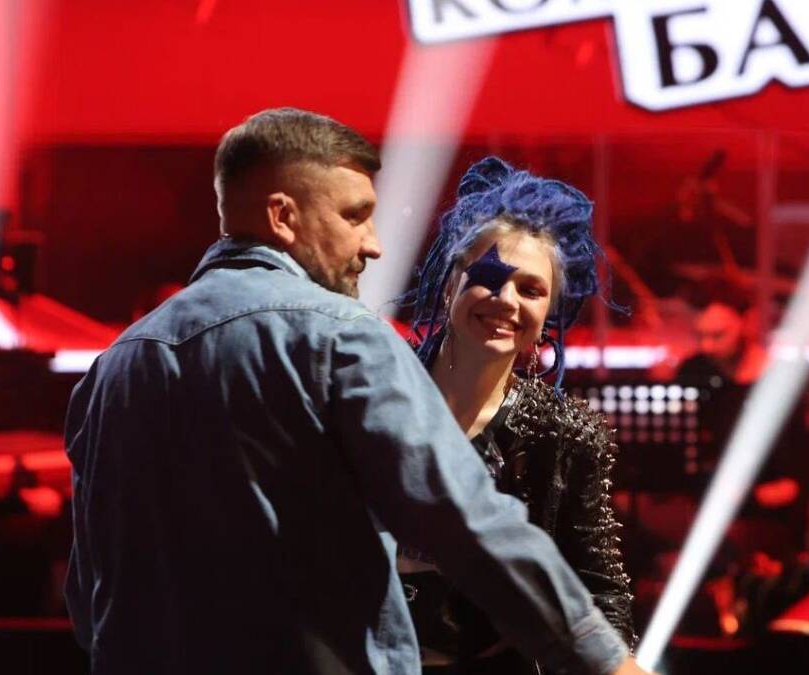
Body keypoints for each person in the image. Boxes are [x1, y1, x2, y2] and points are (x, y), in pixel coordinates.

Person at [63, 108, 649, 675]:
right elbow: (465, 519)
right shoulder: (340, 338)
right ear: (282, 216)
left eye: (533, 290)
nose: (374, 244)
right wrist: (605, 661)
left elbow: (92, 594)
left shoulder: (116, 366)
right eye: (354, 216)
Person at [397, 157, 635, 673]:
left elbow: (598, 587)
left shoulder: (563, 433)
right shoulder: (376, 391)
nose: (506, 300)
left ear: (548, 314)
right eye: (488, 278)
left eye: (530, 290)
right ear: (449, 285)